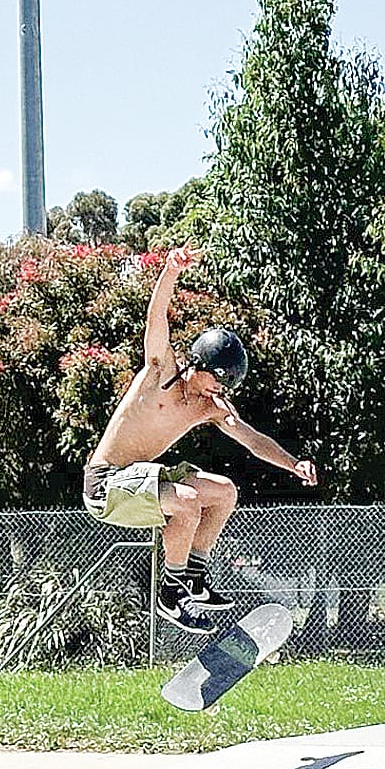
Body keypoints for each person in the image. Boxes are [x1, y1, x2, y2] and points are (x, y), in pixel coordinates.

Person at [80, 247, 317, 634]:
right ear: (199, 366)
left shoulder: (210, 407)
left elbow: (252, 440)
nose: (220, 390)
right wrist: (170, 272)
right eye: (218, 380)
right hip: (105, 484)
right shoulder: (162, 374)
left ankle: (193, 576)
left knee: (224, 491)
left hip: (137, 479)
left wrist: (293, 464)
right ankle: (170, 594)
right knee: (187, 502)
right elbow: (156, 320)